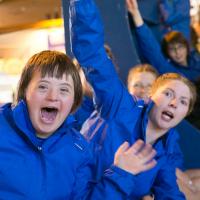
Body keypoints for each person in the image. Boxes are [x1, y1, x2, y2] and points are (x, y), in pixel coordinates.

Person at [69, 0, 197, 199]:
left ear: (184, 114)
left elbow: (169, 191)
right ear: (150, 97)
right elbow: (93, 55)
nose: (174, 103)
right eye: (168, 94)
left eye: (183, 102)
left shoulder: (165, 147)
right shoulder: (119, 106)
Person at [0, 50, 158, 199]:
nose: (53, 96)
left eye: (64, 90)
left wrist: (121, 173)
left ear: (73, 101)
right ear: (24, 91)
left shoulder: (79, 149)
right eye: (43, 87)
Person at [127, 0, 200, 82]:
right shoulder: (171, 72)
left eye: (180, 47)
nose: (177, 52)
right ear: (168, 53)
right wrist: (135, 13)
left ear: (187, 47)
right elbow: (152, 49)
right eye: (172, 49)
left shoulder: (196, 60)